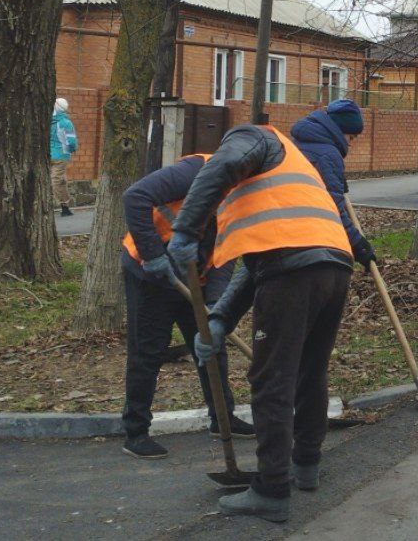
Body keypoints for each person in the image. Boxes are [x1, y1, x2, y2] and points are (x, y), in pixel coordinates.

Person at [174, 122, 372, 523]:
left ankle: (271, 489)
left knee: (272, 380)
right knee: (309, 371)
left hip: (293, 273)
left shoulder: (248, 138)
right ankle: (306, 464)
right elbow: (256, 266)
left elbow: (275, 258)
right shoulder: (284, 175)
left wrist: (183, 230)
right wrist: (220, 319)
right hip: (334, 267)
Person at [119, 154, 254, 459]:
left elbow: (228, 250)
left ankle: (223, 420)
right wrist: (154, 256)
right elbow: (135, 197)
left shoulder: (246, 194)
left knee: (211, 343)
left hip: (197, 277)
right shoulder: (196, 171)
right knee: (148, 349)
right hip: (149, 270)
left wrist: (215, 302)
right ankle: (136, 432)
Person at [288, 99, 378, 269]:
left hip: (279, 225)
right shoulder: (328, 155)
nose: (350, 143)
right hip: (306, 236)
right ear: (339, 130)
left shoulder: (297, 143)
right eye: (351, 137)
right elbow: (332, 209)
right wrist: (358, 245)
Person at [49, 98, 78, 217]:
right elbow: (71, 141)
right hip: (61, 155)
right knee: (58, 181)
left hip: (50, 155)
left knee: (58, 180)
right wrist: (72, 150)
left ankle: (64, 206)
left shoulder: (50, 121)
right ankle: (64, 206)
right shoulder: (66, 122)